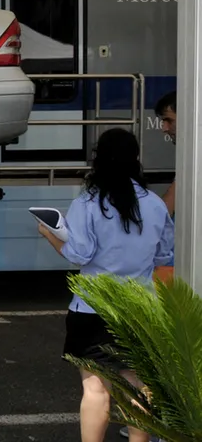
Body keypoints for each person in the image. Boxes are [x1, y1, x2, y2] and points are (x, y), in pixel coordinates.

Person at [37, 128, 174, 442]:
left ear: (98, 160)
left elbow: (79, 254)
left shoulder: (88, 202)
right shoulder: (154, 204)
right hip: (141, 308)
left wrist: (49, 234)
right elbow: (165, 253)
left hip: (92, 308)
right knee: (138, 386)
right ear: (136, 159)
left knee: (96, 388)